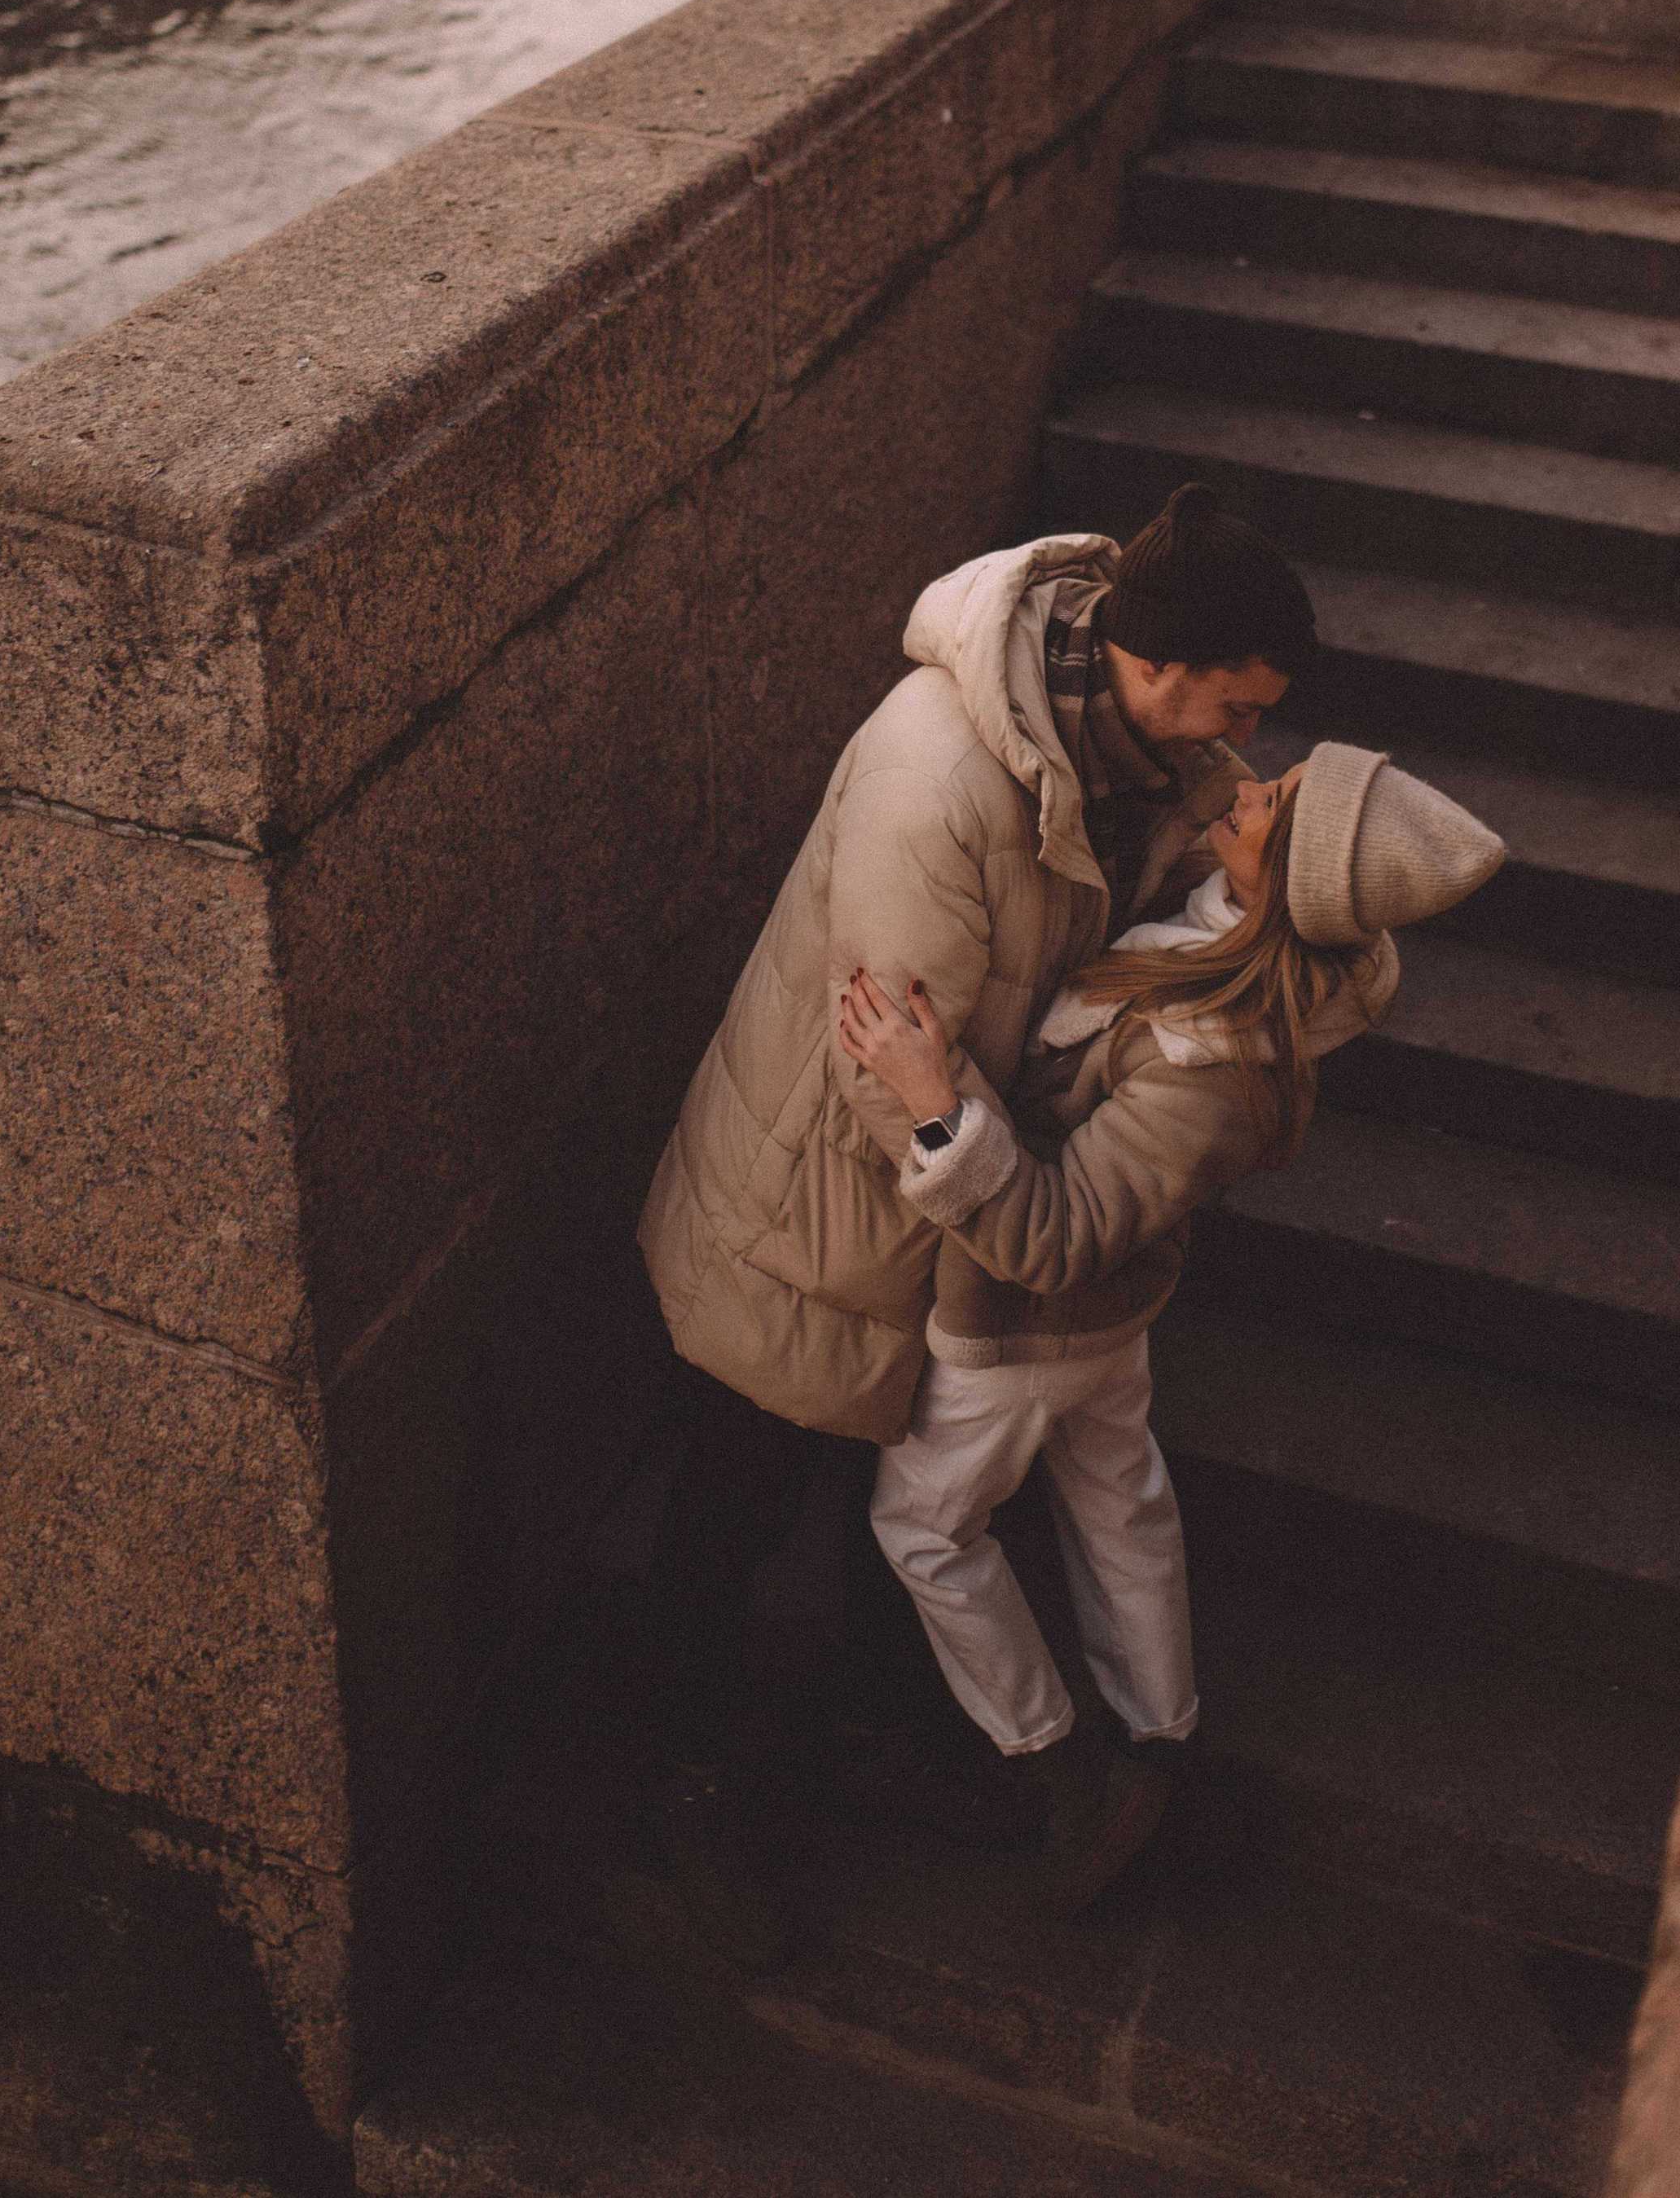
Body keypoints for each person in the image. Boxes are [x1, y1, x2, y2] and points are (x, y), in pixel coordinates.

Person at [635, 484, 1320, 1965]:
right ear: (1159, 667)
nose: (1248, 738)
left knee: (909, 1494)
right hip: (817, 1205)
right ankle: (684, 1791)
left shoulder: (1153, 754)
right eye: (1240, 705)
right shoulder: (937, 779)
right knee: (737, 1500)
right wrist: (1034, 1215)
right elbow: (895, 1059)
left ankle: (891, 1737)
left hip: (954, 1196)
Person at [838, 742, 1506, 1916]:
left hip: (1028, 1328)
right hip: (1115, 1319)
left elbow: (1051, 1238)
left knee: (926, 1529)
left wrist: (933, 1100)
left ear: (1287, 882)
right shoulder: (1246, 943)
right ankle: (1164, 1740)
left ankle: (1062, 1771)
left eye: (1271, 805)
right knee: (1119, 1504)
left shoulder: (1211, 1063)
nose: (1248, 791)